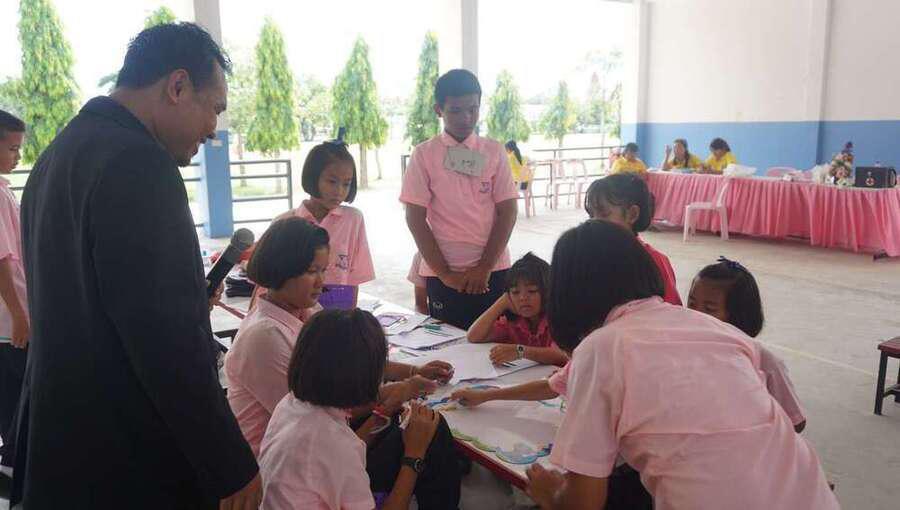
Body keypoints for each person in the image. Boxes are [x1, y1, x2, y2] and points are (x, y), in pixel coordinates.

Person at [15, 23, 260, 509]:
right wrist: (229, 463)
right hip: (124, 460)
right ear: (177, 86)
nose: (213, 129)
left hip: (62, 448)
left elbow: (95, 301)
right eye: (214, 108)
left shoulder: (58, 154)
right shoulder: (140, 165)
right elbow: (167, 343)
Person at [525, 220, 839, 510]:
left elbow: (583, 504)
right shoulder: (718, 329)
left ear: (568, 294)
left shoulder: (601, 348)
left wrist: (551, 493)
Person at [227, 218, 460, 508]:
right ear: (281, 268)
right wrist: (412, 453)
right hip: (270, 472)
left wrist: (412, 373)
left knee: (414, 425)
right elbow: (331, 402)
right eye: (311, 271)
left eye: (322, 270)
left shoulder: (304, 310)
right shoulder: (265, 337)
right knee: (429, 434)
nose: (321, 282)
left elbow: (345, 365)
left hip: (308, 444)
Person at [259, 309, 452, 510]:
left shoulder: (291, 404)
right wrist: (414, 455)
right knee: (433, 430)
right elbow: (338, 452)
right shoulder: (336, 444)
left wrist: (385, 409)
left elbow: (338, 452)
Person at [400, 69, 519, 329]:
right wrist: (445, 274)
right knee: (445, 343)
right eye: (455, 110)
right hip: (443, 272)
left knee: (496, 341)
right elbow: (415, 218)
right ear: (438, 110)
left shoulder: (494, 151)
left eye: (472, 109)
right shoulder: (424, 154)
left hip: (493, 270)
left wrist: (485, 267)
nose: (466, 118)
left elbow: (508, 211)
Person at [689, 257, 806, 432]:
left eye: (709, 309)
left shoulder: (764, 361)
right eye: (691, 304)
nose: (695, 314)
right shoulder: (685, 349)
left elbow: (796, 421)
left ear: (738, 315)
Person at [276, 140, 374, 309]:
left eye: (346, 184)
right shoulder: (285, 223)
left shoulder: (354, 220)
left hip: (337, 310)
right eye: (332, 181)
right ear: (313, 177)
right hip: (296, 311)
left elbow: (354, 278)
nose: (339, 191)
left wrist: (350, 316)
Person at [584, 174, 681, 305]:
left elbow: (671, 310)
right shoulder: (587, 255)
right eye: (591, 215)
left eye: (603, 213)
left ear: (632, 214)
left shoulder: (654, 261)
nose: (593, 222)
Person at [466, 252, 567, 367]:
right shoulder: (514, 322)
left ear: (548, 292)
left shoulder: (558, 319)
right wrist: (501, 303)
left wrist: (521, 351)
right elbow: (473, 336)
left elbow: (562, 355)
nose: (523, 298)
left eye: (532, 291)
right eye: (515, 292)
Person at [0, 110, 27, 477]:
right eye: (12, 148)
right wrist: (20, 315)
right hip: (11, 324)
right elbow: (2, 260)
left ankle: (14, 467)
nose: (18, 156)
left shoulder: (4, 190)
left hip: (9, 322)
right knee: (18, 405)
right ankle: (16, 471)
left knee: (13, 404)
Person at [506, 140, 534, 215]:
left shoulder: (510, 157)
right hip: (526, 185)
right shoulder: (524, 157)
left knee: (503, 188)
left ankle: (509, 211)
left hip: (517, 185)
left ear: (508, 149)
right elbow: (532, 162)